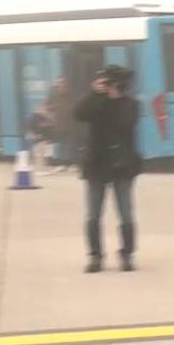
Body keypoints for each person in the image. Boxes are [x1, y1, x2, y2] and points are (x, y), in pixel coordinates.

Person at [73, 65, 141, 273]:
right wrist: (95, 94)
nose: (105, 85)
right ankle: (95, 256)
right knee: (93, 215)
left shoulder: (130, 104)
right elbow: (79, 114)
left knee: (126, 214)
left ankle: (126, 254)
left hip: (122, 166)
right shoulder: (96, 102)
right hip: (96, 165)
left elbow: (125, 124)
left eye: (108, 82)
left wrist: (114, 98)